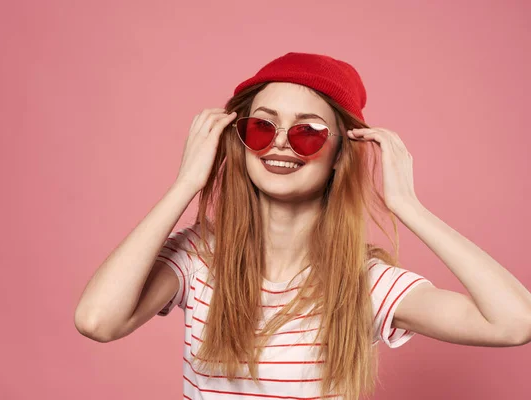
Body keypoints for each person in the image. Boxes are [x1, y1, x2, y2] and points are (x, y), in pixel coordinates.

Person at [74, 52, 531, 400]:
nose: (279, 145)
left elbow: (515, 323)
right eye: (261, 127)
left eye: (307, 132)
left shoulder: (365, 284)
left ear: (338, 156)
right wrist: (187, 184)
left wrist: (408, 206)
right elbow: (97, 321)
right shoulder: (199, 258)